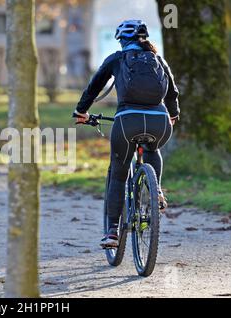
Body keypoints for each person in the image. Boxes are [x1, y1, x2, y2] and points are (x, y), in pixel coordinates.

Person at [73, 20, 180, 248]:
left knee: (118, 174)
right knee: (154, 147)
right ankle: (156, 190)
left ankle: (112, 232)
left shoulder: (116, 59)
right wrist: (172, 115)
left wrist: (81, 111)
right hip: (160, 123)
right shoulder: (158, 60)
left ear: (121, 39)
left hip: (127, 122)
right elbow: (172, 92)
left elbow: (94, 87)